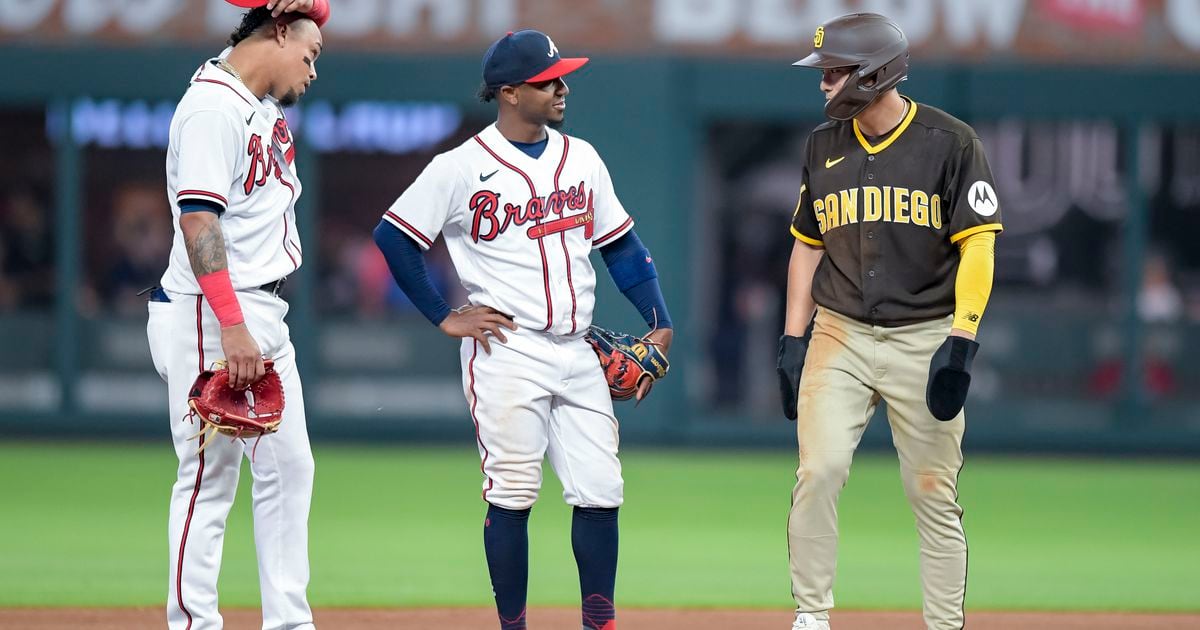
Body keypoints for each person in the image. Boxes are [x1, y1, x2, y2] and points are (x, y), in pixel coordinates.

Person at [373, 29, 673, 630]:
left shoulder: (581, 157)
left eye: (561, 77)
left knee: (601, 489)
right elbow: (394, 237)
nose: (561, 88)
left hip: (580, 346)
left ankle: (599, 622)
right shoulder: (459, 168)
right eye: (547, 81)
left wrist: (659, 322)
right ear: (508, 93)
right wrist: (443, 315)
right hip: (507, 349)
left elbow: (622, 247)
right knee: (512, 492)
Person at [776, 13, 1002, 630]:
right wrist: (794, 338)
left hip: (926, 333)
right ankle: (812, 618)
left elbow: (978, 245)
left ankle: (944, 625)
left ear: (873, 74)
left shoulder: (951, 142)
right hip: (841, 332)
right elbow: (806, 246)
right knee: (818, 472)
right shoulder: (823, 146)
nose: (823, 85)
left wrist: (962, 341)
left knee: (933, 491)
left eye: (833, 73)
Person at [146, 1, 328, 628]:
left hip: (260, 307)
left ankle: (288, 620)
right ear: (278, 33)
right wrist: (230, 323)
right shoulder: (212, 108)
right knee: (208, 476)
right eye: (308, 53)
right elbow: (199, 219)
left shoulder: (263, 107)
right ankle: (193, 622)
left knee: (289, 466)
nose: (312, 69)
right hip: (212, 310)